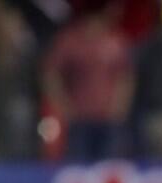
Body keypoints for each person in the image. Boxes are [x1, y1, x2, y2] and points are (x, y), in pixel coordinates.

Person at [41, 0, 134, 161]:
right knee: (79, 167)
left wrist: (119, 107)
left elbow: (125, 77)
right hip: (79, 121)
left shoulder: (116, 40)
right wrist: (63, 106)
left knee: (108, 168)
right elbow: (50, 74)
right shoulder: (70, 40)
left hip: (109, 121)